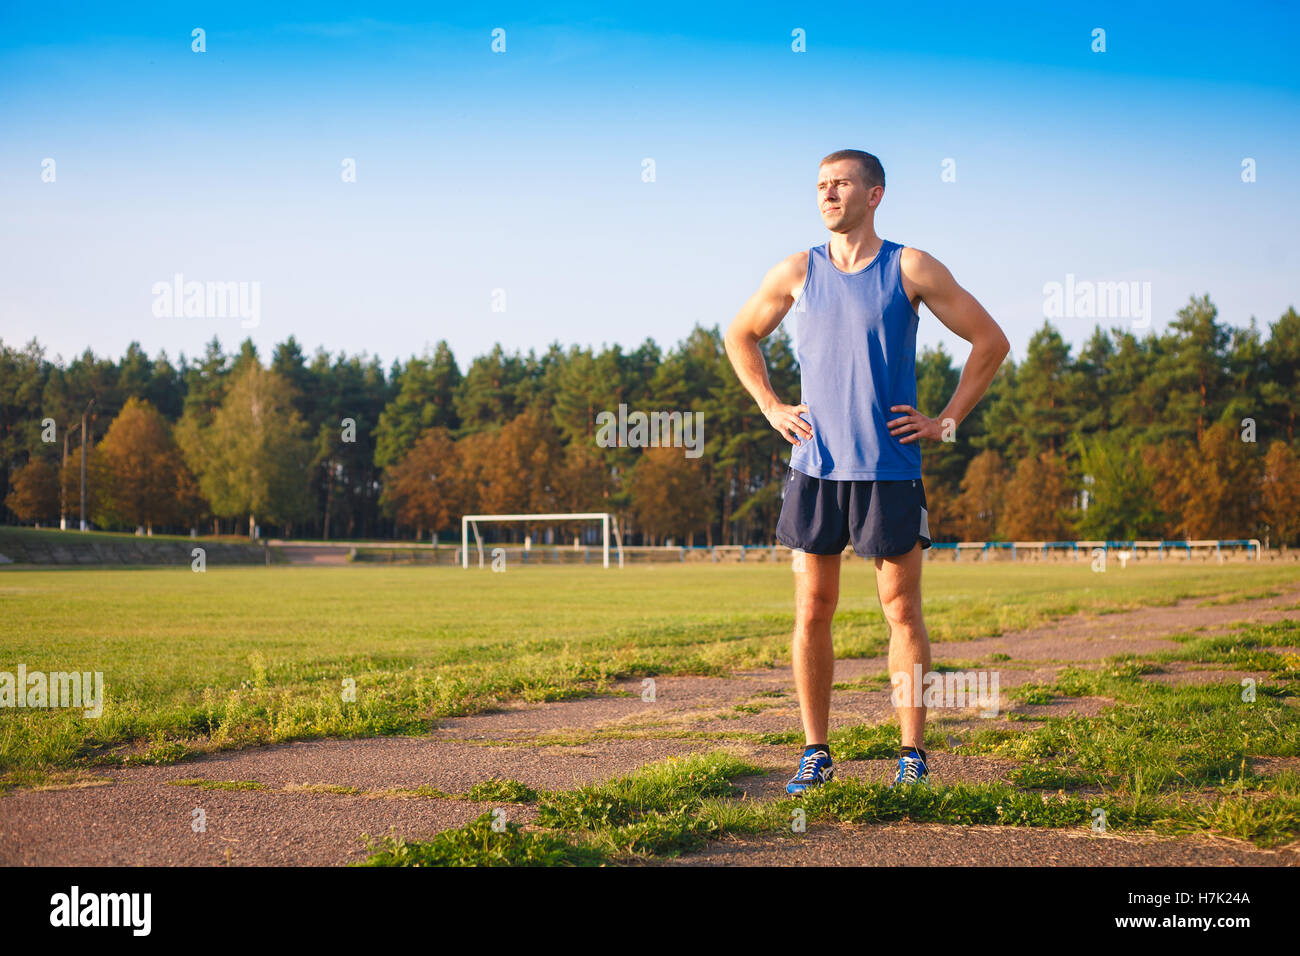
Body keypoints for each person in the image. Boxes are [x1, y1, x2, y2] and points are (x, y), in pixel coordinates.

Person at [724, 148, 1009, 792]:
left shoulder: (909, 266)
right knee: (812, 609)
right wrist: (771, 406)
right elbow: (740, 335)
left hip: (889, 468)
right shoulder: (797, 270)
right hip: (815, 467)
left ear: (874, 195)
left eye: (841, 184)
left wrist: (946, 420)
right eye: (821, 185)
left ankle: (911, 753)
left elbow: (990, 342)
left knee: (901, 610)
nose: (828, 194)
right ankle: (816, 751)